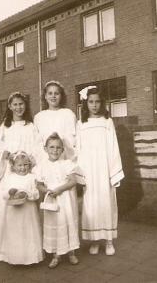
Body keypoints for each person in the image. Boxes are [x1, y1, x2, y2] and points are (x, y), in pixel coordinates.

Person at [0, 92, 42, 257]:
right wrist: (6, 154)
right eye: (15, 104)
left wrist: (30, 160)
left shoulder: (31, 127)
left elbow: (38, 148)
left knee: (25, 209)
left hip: (25, 173)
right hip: (8, 174)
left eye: (21, 104)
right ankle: (5, 250)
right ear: (10, 106)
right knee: (4, 208)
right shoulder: (5, 127)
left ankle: (26, 250)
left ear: (25, 106)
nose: (19, 107)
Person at [76, 86, 124, 255]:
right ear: (85, 103)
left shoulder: (107, 121)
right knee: (91, 206)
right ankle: (95, 240)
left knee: (106, 203)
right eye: (91, 102)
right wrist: (81, 173)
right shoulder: (81, 123)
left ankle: (109, 240)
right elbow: (79, 150)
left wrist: (113, 173)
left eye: (97, 102)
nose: (94, 105)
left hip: (104, 169)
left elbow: (113, 147)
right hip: (89, 170)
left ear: (102, 103)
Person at [34, 133, 82, 268]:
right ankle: (56, 255)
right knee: (55, 225)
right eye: (51, 147)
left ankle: (71, 252)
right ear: (45, 149)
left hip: (66, 199)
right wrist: (48, 191)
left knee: (68, 223)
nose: (55, 151)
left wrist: (60, 189)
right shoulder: (41, 166)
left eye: (58, 148)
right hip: (51, 200)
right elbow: (39, 184)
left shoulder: (67, 164)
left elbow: (73, 181)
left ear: (62, 150)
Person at [0, 151, 43, 264]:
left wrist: (26, 194)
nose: (22, 168)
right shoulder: (10, 178)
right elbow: (4, 194)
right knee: (15, 233)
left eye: (25, 165)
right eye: (19, 165)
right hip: (13, 212)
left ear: (29, 165)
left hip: (28, 211)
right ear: (13, 166)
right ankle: (15, 257)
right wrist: (10, 193)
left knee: (28, 232)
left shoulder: (32, 177)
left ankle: (30, 257)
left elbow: (36, 194)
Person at [34, 81, 77, 160]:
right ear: (45, 96)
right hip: (45, 159)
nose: (53, 96)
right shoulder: (39, 117)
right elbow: (37, 142)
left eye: (56, 93)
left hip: (65, 158)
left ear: (61, 96)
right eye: (50, 93)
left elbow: (72, 140)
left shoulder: (68, 114)